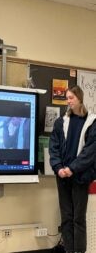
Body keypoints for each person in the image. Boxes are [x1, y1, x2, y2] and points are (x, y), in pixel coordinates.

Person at [49, 85, 96, 253]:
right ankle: (69, 250)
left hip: (80, 176)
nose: (68, 101)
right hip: (62, 177)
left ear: (80, 99)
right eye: (67, 98)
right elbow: (53, 148)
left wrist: (72, 169)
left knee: (78, 219)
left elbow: (90, 152)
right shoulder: (60, 122)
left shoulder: (92, 122)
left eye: (71, 98)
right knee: (66, 218)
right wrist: (59, 168)